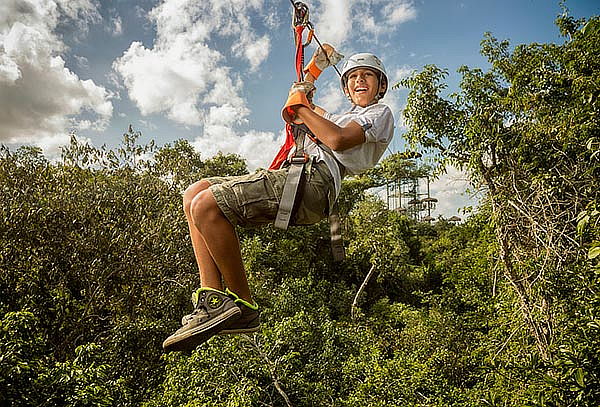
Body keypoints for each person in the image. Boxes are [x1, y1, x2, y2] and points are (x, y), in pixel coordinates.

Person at [162, 49, 395, 352]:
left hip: (314, 181)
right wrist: (315, 67)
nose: (359, 80)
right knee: (194, 194)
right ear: (346, 87)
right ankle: (212, 298)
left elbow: (336, 138)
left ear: (381, 85)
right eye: (352, 77)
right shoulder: (340, 117)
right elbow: (300, 99)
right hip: (299, 175)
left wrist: (302, 110)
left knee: (207, 205)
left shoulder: (379, 114)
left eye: (367, 75)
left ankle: (243, 305)